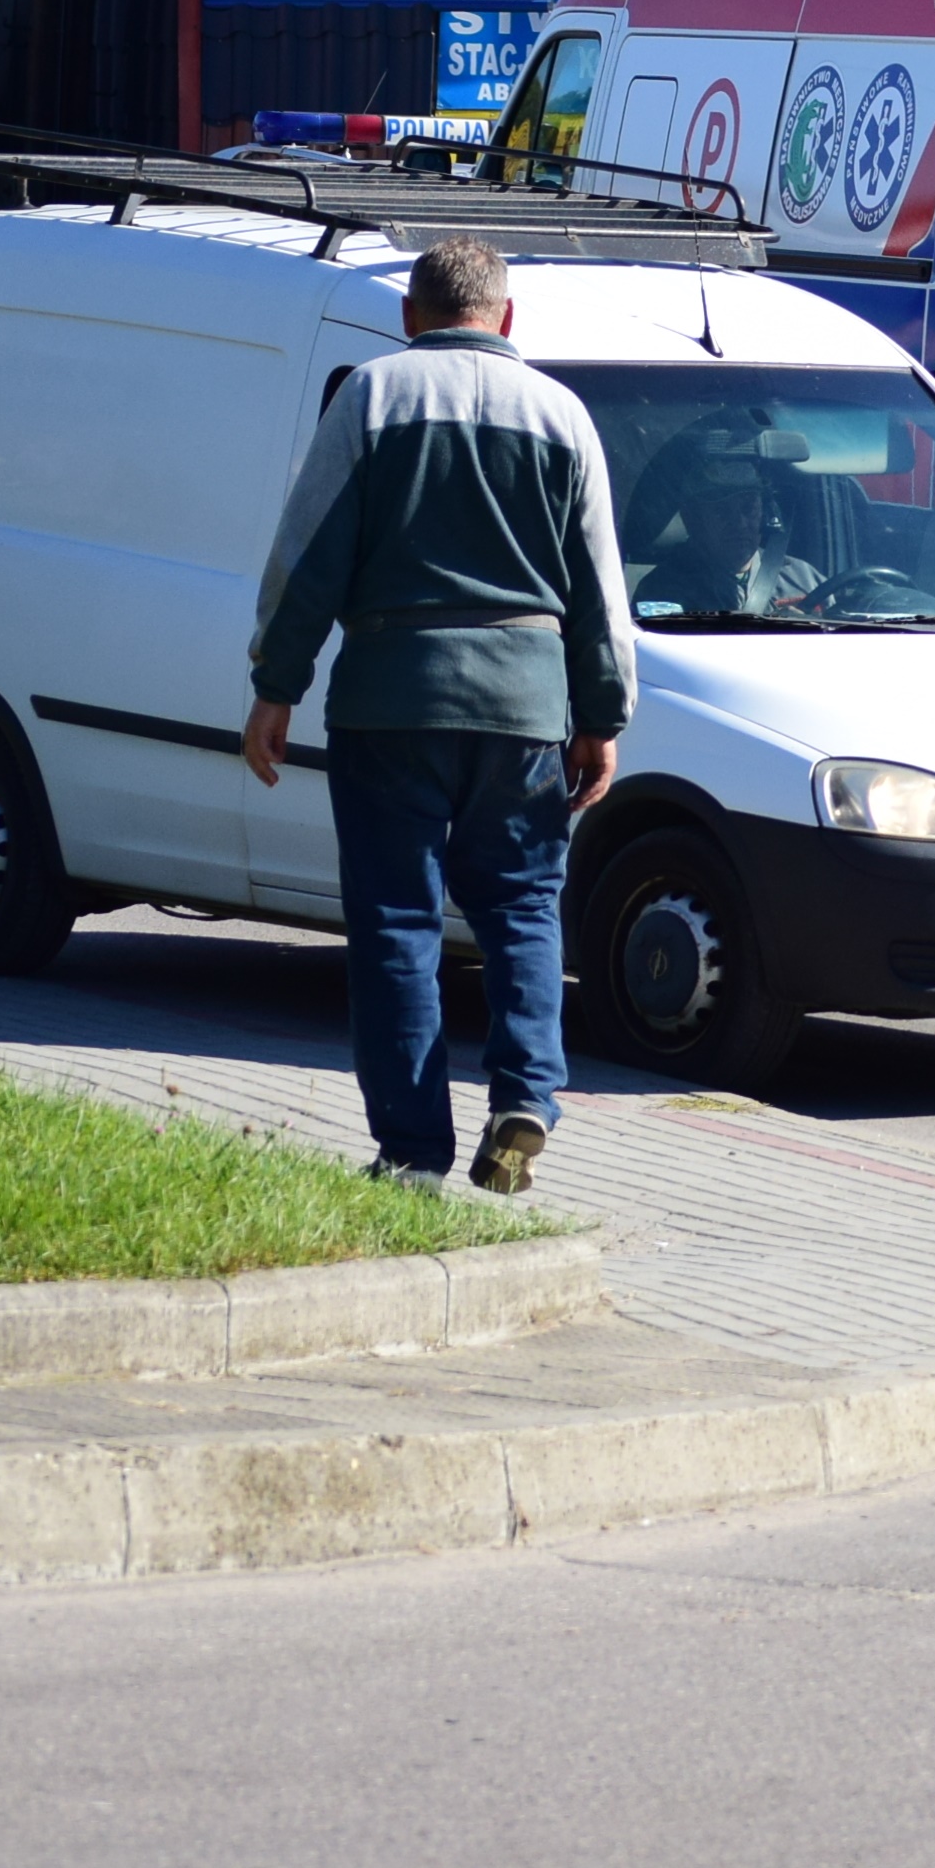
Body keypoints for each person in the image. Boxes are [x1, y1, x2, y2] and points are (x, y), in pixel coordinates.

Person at [245, 237, 635, 1195]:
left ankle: (412, 1150)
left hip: (390, 702)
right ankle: (527, 1101)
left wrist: (275, 682)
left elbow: (309, 558)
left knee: (395, 925)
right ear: (505, 320)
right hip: (527, 709)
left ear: (410, 316)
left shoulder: (370, 398)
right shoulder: (563, 415)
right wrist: (601, 713)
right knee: (521, 909)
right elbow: (598, 586)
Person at [636, 437, 820, 617]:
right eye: (721, 512)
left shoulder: (803, 577)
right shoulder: (663, 589)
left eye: (748, 508)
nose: (740, 523)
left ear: (764, 512)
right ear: (693, 519)